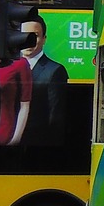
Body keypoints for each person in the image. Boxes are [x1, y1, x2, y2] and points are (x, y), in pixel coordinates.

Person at [20, 15, 68, 147]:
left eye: (34, 35)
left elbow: (55, 117)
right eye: (24, 34)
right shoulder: (8, 67)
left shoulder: (55, 70)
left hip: (36, 145)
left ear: (44, 39)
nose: (28, 40)